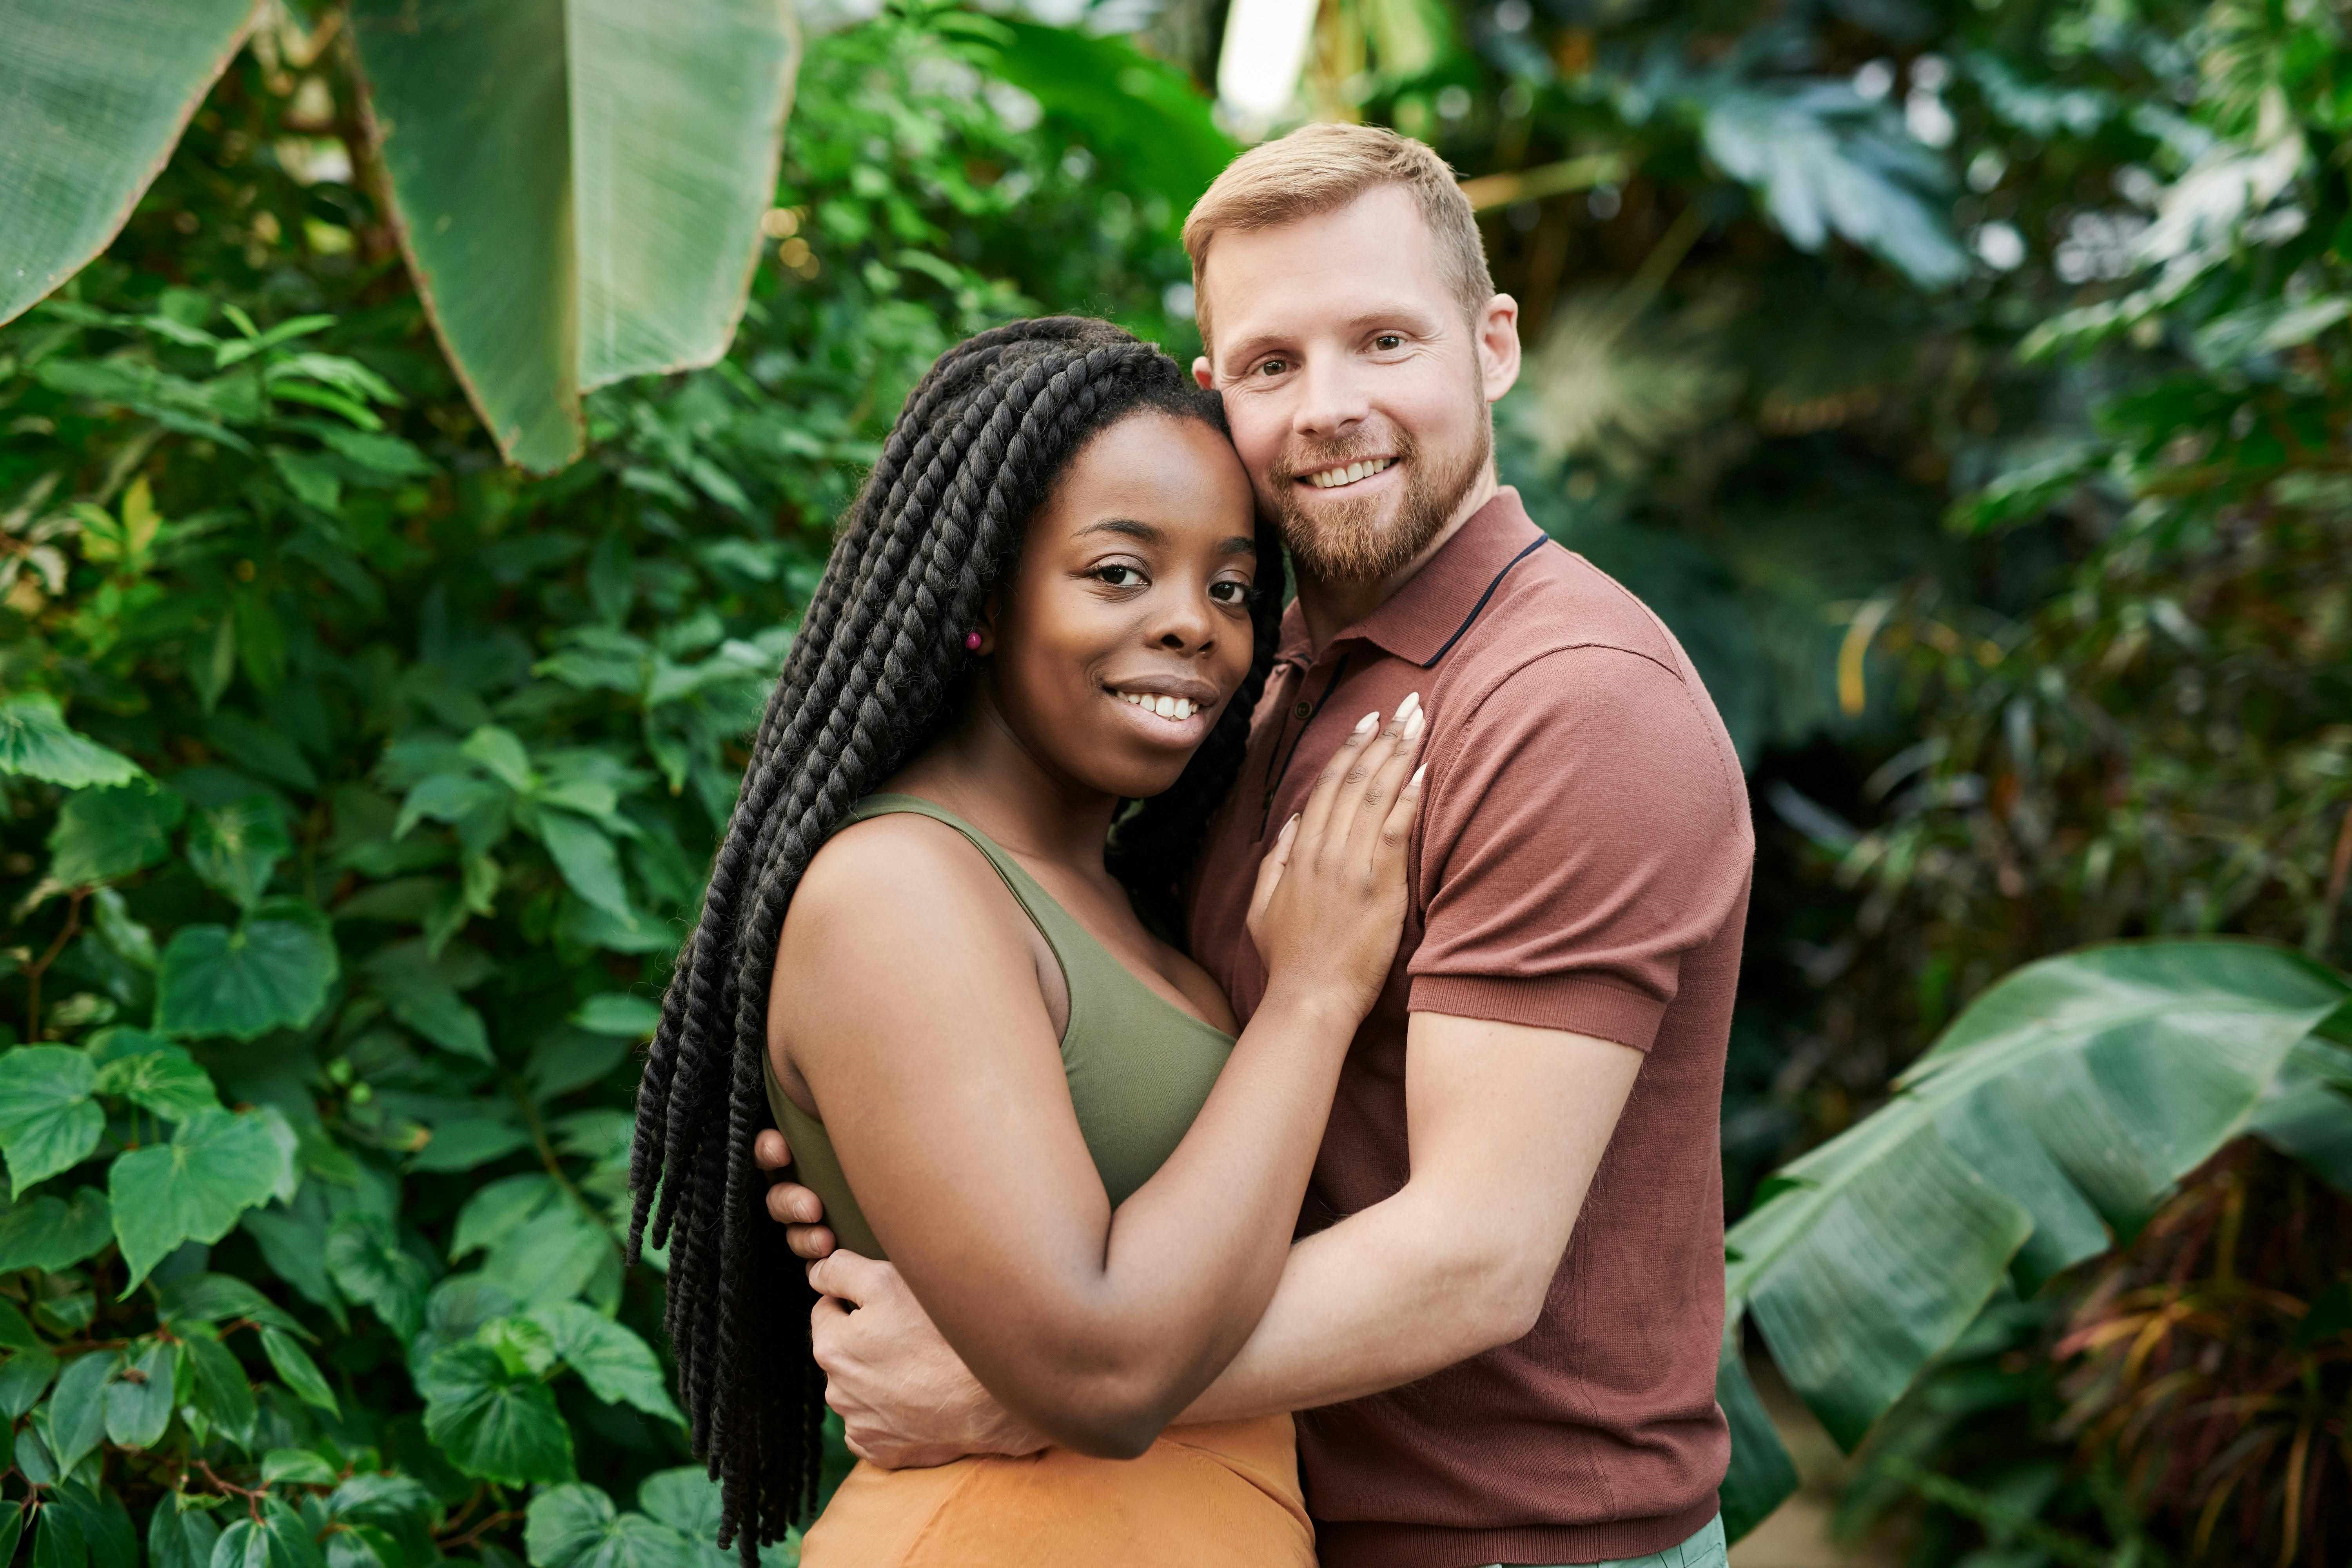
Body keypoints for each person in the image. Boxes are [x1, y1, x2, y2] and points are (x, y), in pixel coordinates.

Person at [757, 124, 1756, 1568]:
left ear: (1493, 345)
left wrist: (1020, 1388)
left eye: (1385, 340)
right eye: (1275, 364)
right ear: (1219, 390)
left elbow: (1472, 1258)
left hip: (1511, 1542)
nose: (1330, 407)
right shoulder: (1250, 680)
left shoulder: (1574, 704)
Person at [625, 314, 1436, 1568]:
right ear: (982, 601)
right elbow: (1103, 1369)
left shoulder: (1112, 896)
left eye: (1230, 587)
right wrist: (1315, 994)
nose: (1194, 626)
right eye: (1119, 573)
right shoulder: (899, 889)